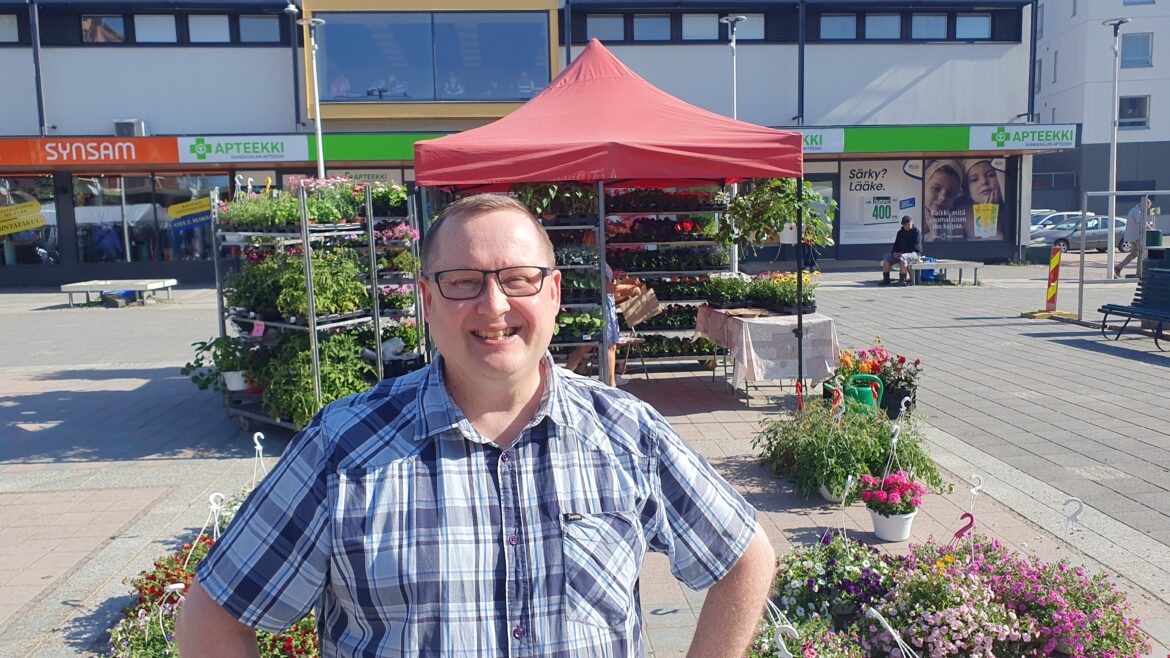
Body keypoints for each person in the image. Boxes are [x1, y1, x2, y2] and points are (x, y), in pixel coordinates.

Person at [176, 194, 775, 657]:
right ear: (427, 300)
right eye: (463, 281)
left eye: (518, 278)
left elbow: (745, 557)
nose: (494, 306)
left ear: (554, 293)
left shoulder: (626, 433)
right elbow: (213, 616)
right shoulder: (344, 446)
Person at [563, 233, 640, 386]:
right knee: (600, 345)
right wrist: (628, 288)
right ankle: (609, 384)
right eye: (598, 236)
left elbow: (604, 283)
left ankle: (567, 377)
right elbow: (603, 287)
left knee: (603, 346)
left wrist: (615, 278)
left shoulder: (595, 256)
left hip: (602, 305)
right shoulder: (591, 258)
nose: (603, 239)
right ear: (589, 238)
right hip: (598, 307)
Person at [922, 159, 964, 242]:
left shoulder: (953, 226)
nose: (943, 197)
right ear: (923, 186)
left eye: (950, 193)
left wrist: (934, 234)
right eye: (936, 189)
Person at [1116, 196, 1153, 278]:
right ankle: (1139, 273)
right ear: (1144, 204)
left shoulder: (1134, 210)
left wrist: (1147, 225)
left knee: (1134, 253)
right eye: (1147, 207)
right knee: (1141, 254)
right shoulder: (1137, 211)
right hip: (1136, 236)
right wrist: (1150, 227)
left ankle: (1118, 268)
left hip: (1133, 236)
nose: (1147, 209)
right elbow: (1140, 223)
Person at [881, 215, 922, 286]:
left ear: (912, 222)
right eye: (905, 225)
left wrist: (902, 253)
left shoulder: (916, 232)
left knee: (903, 257)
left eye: (908, 224)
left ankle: (902, 280)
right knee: (886, 259)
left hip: (914, 254)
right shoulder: (900, 233)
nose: (907, 226)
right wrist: (894, 253)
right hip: (900, 254)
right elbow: (896, 245)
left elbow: (916, 247)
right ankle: (886, 279)